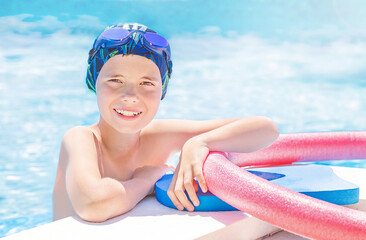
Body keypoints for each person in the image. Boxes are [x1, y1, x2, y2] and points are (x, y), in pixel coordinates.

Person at [52, 23, 279, 222]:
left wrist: (199, 143)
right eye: (115, 80)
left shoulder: (159, 136)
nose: (130, 95)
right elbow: (94, 205)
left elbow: (265, 129)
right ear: (94, 82)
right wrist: (148, 179)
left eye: (146, 83)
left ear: (163, 90)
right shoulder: (80, 138)